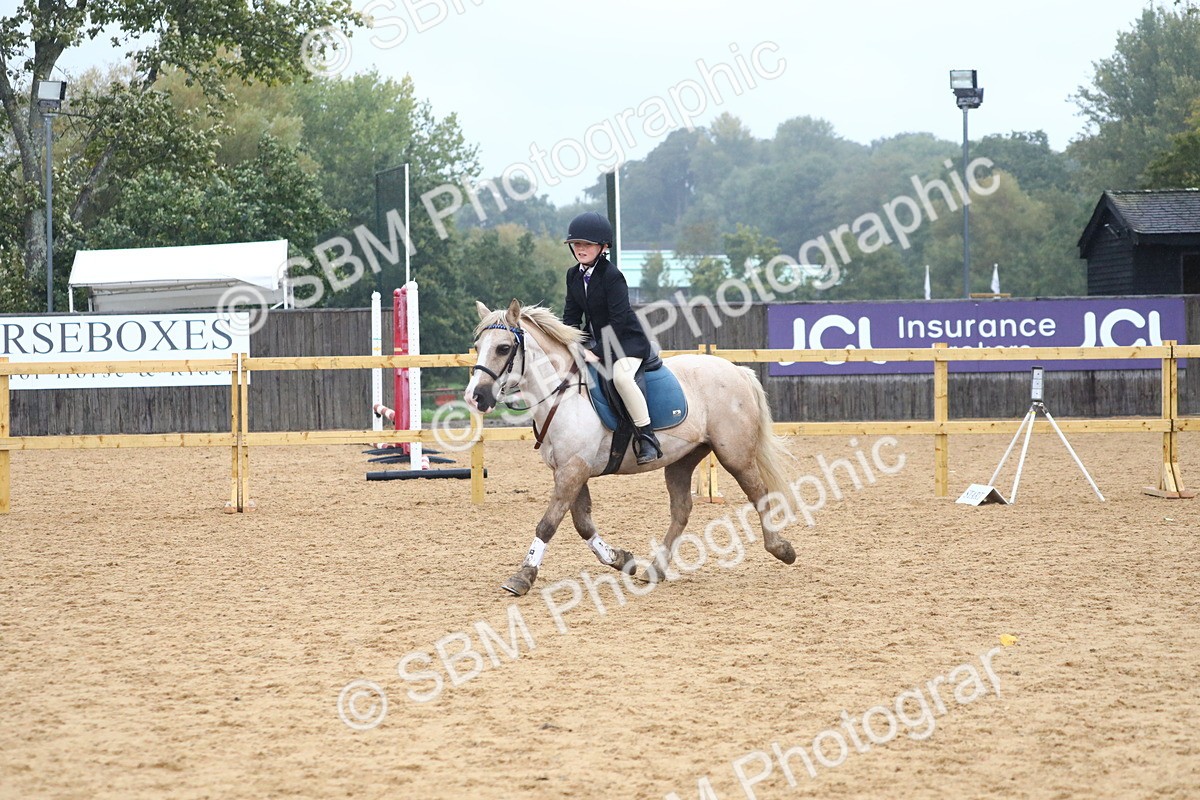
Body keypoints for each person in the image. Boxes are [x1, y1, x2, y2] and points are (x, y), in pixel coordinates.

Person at [561, 211, 662, 465]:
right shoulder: (573, 275)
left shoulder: (612, 276)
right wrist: (568, 342)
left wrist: (596, 351)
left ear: (603, 247)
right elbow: (571, 317)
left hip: (626, 343)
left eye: (587, 244)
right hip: (595, 341)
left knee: (621, 378)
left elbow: (617, 322)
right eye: (577, 244)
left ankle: (647, 436)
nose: (581, 249)